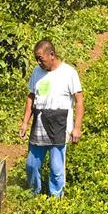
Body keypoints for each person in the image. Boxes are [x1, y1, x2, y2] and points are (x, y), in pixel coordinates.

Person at [18, 40, 84, 197]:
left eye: (41, 58)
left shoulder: (69, 73)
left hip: (59, 126)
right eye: (36, 58)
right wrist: (25, 122)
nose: (38, 62)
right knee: (32, 165)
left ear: (52, 55)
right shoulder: (37, 72)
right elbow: (31, 97)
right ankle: (34, 193)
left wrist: (77, 127)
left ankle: (56, 199)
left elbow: (79, 101)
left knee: (56, 168)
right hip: (39, 125)